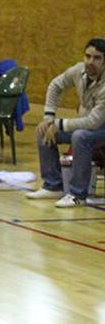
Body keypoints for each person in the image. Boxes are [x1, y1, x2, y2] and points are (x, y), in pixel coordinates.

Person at [26, 38, 105, 207]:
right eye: (88, 56)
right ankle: (53, 185)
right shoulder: (78, 71)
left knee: (80, 136)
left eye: (97, 58)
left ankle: (78, 194)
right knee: (43, 130)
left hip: (100, 127)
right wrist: (48, 118)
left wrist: (58, 124)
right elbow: (55, 85)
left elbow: (93, 122)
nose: (90, 62)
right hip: (89, 124)